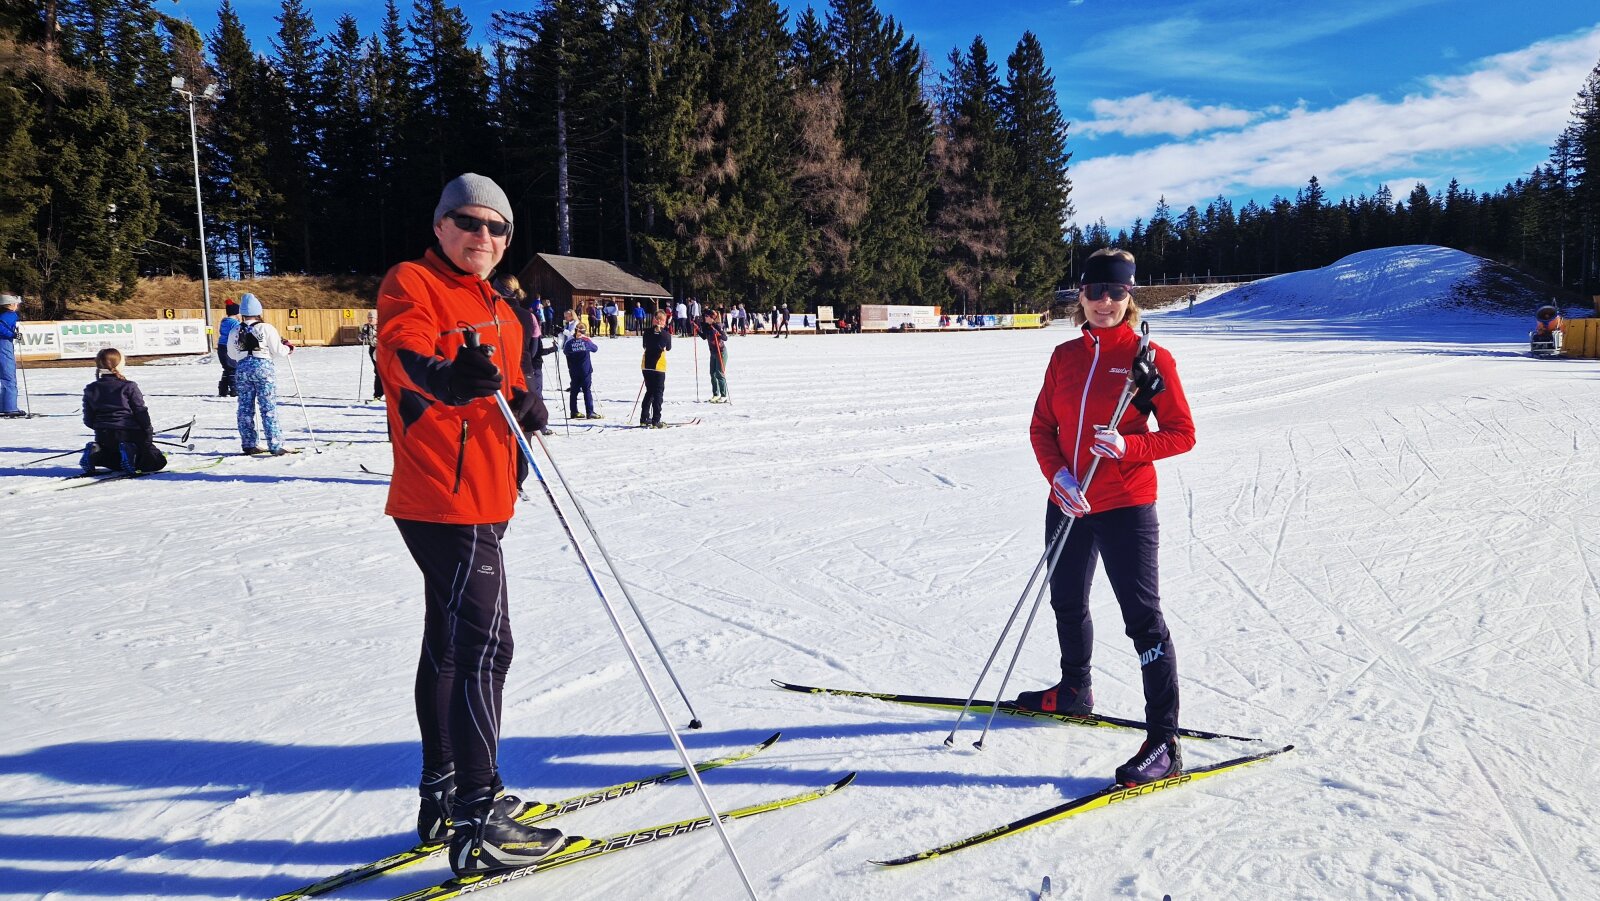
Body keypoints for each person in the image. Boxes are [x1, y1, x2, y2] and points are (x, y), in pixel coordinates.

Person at [375, 173, 561, 877]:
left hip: (488, 493)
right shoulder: (413, 282)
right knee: (488, 644)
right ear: (441, 224)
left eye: (497, 227)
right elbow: (405, 350)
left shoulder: (501, 306)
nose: (482, 236)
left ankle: (444, 790)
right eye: (468, 222)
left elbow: (502, 381)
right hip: (441, 498)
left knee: (451, 643)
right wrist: (448, 380)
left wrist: (525, 405)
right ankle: (479, 816)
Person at [1020, 248, 1196, 787]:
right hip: (1070, 502)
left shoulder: (1150, 359)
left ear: (1130, 295)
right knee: (1067, 601)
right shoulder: (1064, 357)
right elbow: (1041, 429)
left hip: (1126, 505)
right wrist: (1060, 478)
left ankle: (1164, 742)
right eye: (1094, 291)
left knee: (1144, 621)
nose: (1104, 302)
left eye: (1116, 292)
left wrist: (1129, 445)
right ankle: (1075, 690)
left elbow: (1183, 433)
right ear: (1079, 295)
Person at [493, 272, 552, 492]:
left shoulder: (495, 311)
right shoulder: (529, 316)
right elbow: (535, 348)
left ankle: (502, 475)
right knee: (523, 428)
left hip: (502, 373)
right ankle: (519, 476)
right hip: (525, 373)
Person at [226, 293, 296, 455]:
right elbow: (278, 351)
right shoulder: (266, 328)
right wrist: (288, 347)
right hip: (263, 367)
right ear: (258, 311)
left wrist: (243, 357)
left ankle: (249, 443)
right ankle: (275, 443)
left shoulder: (235, 329)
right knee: (268, 405)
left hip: (243, 368)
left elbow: (231, 353)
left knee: (245, 406)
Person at [79, 348, 167, 474]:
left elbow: (88, 418)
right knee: (157, 461)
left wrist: (100, 427)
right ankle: (130, 451)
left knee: (114, 461)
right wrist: (147, 432)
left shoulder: (91, 388)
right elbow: (140, 411)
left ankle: (97, 452)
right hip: (129, 433)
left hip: (103, 435)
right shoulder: (128, 386)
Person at [640, 309, 672, 427]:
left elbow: (645, 345)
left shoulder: (647, 332)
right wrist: (661, 332)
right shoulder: (666, 334)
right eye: (663, 320)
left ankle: (644, 418)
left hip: (646, 366)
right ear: (660, 321)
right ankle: (656, 420)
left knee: (650, 392)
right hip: (658, 367)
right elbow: (668, 347)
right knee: (658, 393)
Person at [563, 323, 600, 419]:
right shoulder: (586, 341)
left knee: (574, 391)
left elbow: (565, 351)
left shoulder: (570, 342)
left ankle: (574, 411)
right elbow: (595, 348)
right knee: (587, 390)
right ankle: (590, 412)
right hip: (585, 370)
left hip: (574, 369)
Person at [699, 308, 728, 403]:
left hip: (721, 352)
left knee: (719, 373)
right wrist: (697, 329)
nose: (705, 317)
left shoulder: (716, 326)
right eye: (705, 316)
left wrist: (718, 334)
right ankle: (716, 394)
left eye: (707, 316)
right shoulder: (707, 326)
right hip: (713, 352)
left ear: (711, 318)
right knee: (712, 373)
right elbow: (704, 337)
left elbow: (725, 337)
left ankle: (724, 395)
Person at [0, 293, 21, 417]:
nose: (17, 306)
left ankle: (3, 406)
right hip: (3, 345)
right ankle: (10, 407)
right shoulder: (11, 315)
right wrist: (12, 334)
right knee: (8, 377)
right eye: (16, 304)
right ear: (11, 304)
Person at [217, 300, 241, 397]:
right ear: (236, 313)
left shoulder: (224, 322)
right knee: (233, 368)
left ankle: (223, 390)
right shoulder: (235, 323)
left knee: (227, 368)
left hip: (221, 347)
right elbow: (237, 335)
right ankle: (235, 389)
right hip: (229, 347)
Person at [358, 310, 384, 400]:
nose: (369, 319)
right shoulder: (366, 327)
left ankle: (387, 393)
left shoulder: (382, 326)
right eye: (368, 318)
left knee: (384, 372)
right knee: (378, 371)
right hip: (373, 349)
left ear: (376, 318)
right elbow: (361, 336)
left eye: (371, 318)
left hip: (383, 350)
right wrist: (362, 337)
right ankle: (378, 394)